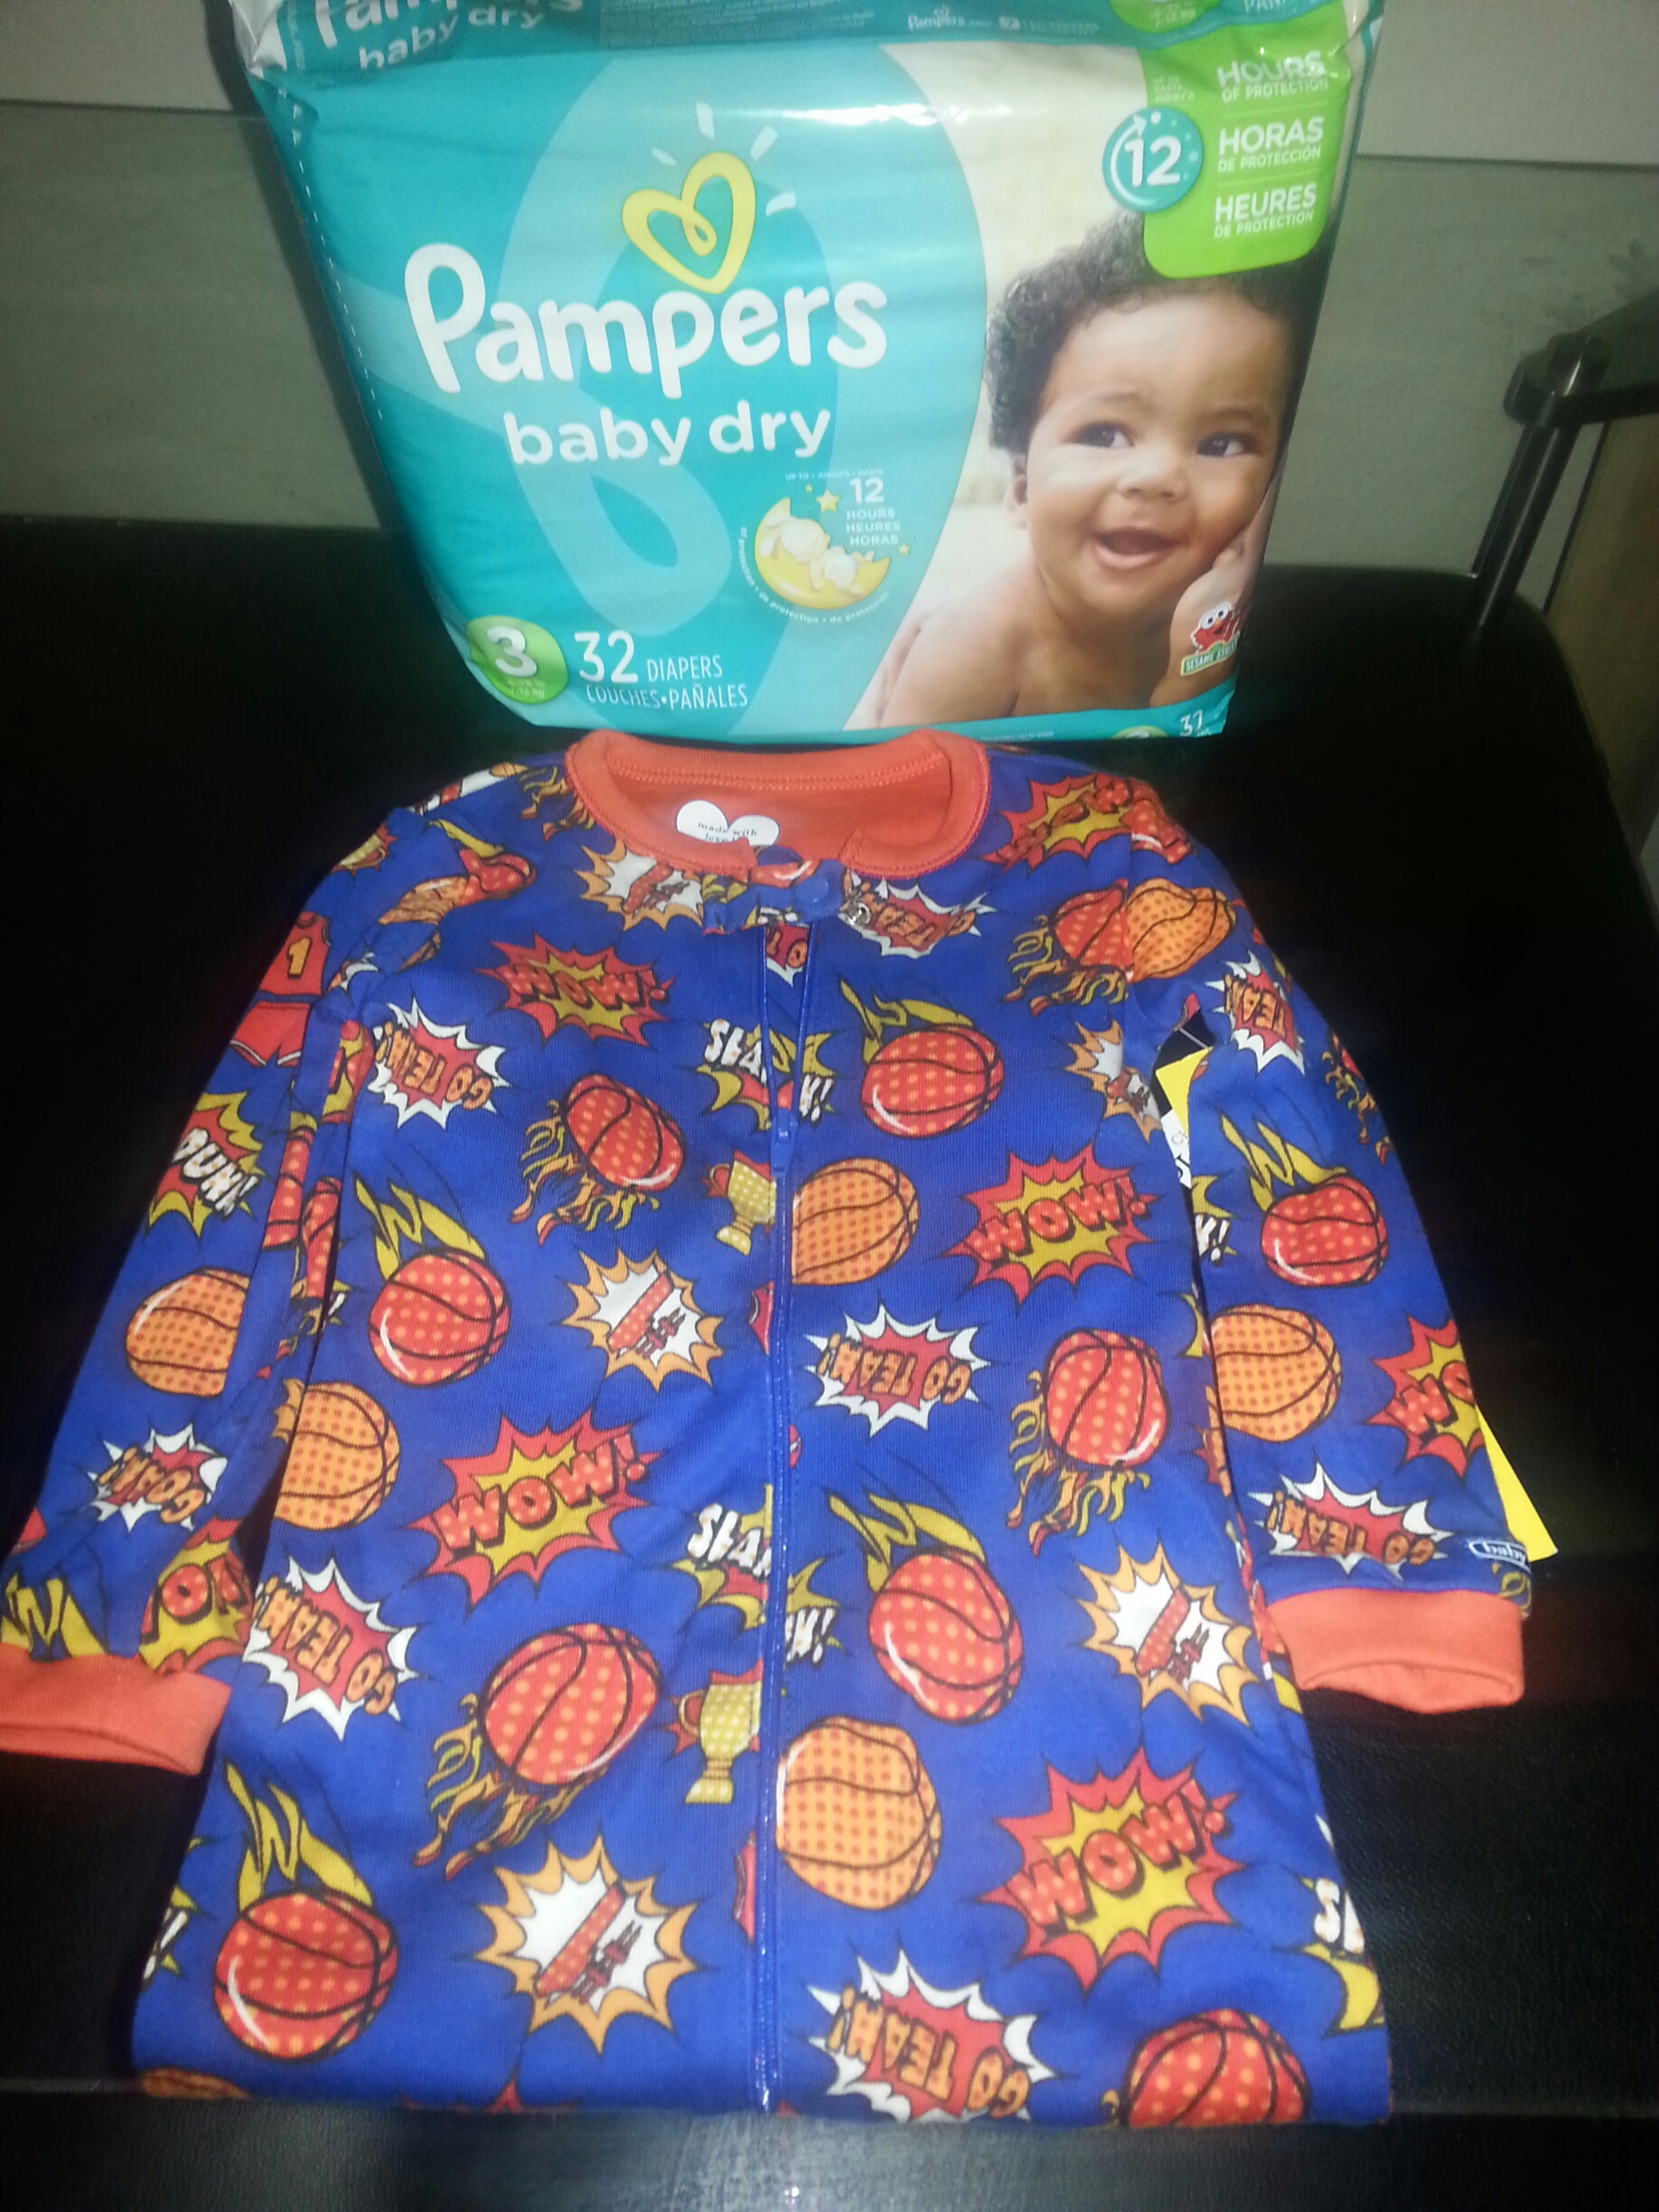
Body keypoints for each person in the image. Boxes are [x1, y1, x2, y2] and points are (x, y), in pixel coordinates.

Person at [849, 221, 1321, 728]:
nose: (1156, 476)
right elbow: (906, 778)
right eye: (1104, 435)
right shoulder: (971, 653)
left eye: (1220, 444)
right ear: (1023, 488)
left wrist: (1200, 654)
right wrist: (1193, 680)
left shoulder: (1241, 615)